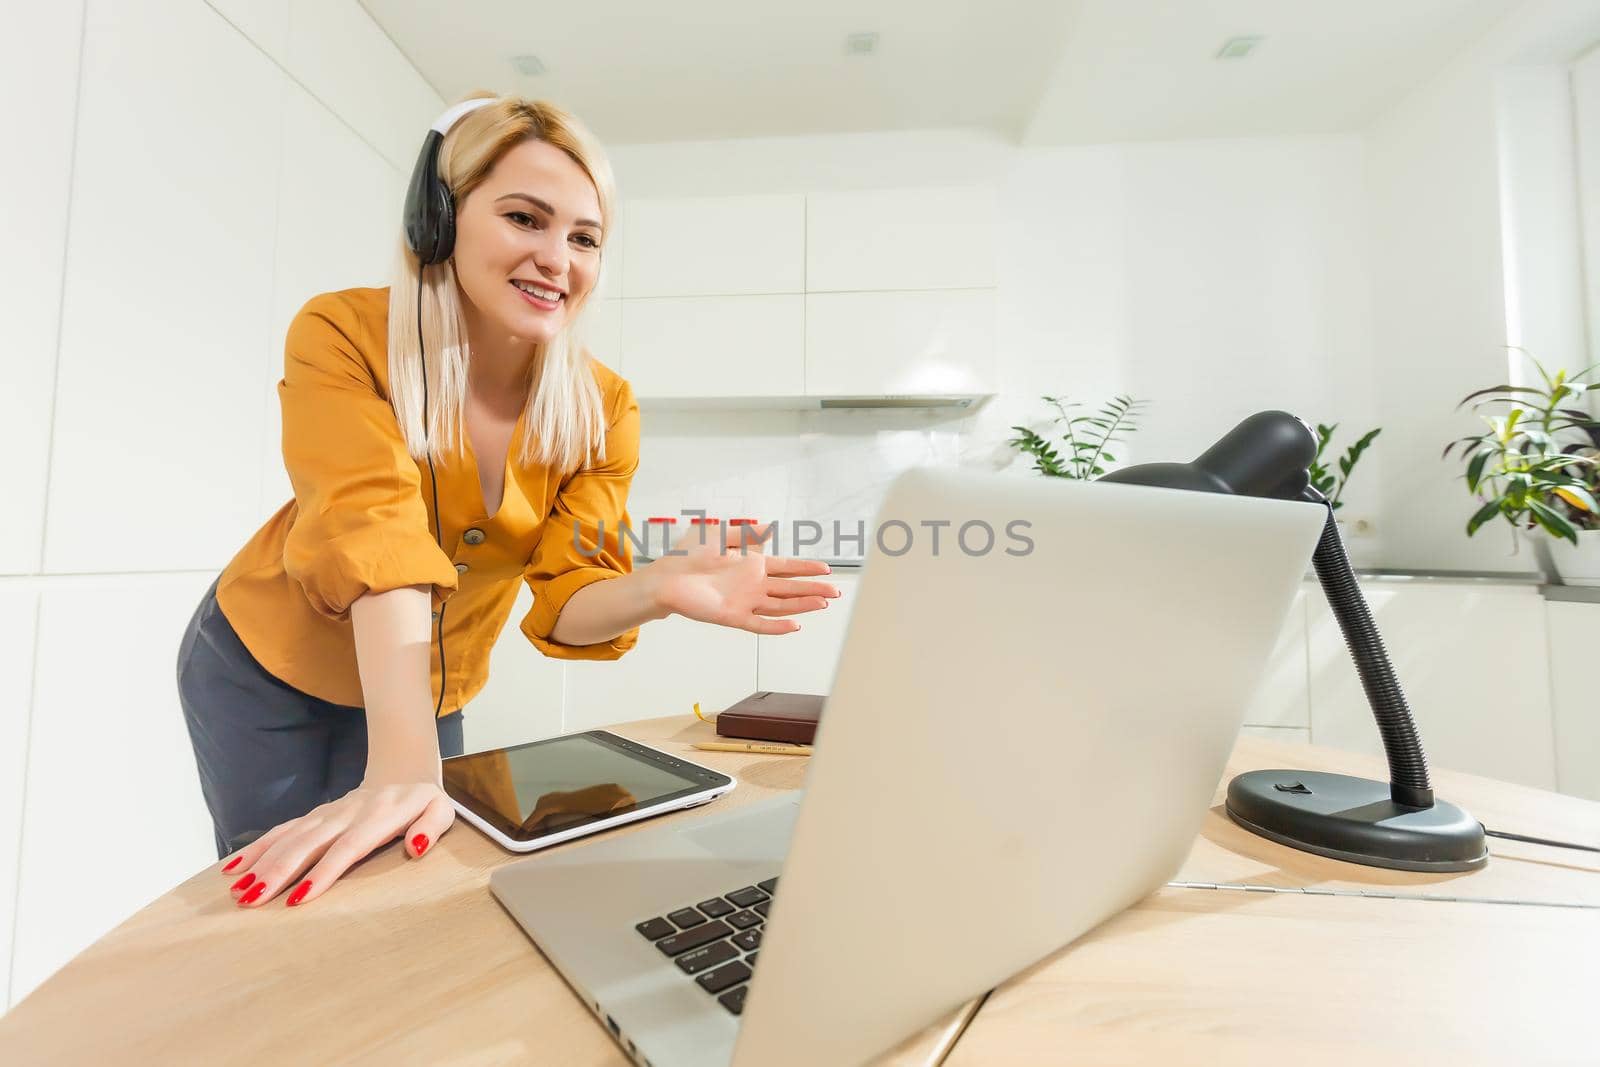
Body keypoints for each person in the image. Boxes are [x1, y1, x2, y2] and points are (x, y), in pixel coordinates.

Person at [175, 92, 838, 910]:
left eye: (585, 237)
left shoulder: (604, 409)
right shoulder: (343, 334)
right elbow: (375, 531)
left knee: (405, 885)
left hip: (435, 686)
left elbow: (568, 599)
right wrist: (404, 766)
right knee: (292, 893)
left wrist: (660, 588)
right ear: (439, 220)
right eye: (526, 218)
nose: (559, 258)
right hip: (266, 666)